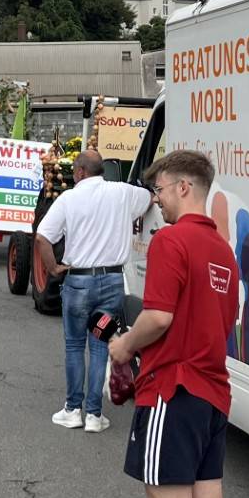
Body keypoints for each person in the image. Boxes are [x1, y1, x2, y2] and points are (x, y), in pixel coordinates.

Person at [106, 150, 238, 498]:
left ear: (184, 187)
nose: (155, 200)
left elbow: (157, 316)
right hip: (212, 391)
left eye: (159, 190)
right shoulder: (222, 250)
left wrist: (122, 348)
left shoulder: (172, 240)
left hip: (171, 388)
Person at [38, 150, 153, 433]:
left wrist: (53, 268)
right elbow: (150, 198)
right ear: (102, 170)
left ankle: (72, 409)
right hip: (111, 284)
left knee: (75, 345)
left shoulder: (68, 198)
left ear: (79, 173)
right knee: (100, 344)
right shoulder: (123, 192)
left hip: (78, 284)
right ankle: (94, 415)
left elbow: (42, 237)